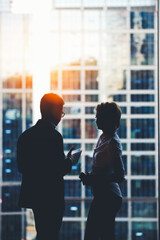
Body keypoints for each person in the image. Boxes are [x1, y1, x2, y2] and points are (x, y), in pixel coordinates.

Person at [17, 93, 76, 240]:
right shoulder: (54, 137)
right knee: (51, 234)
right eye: (61, 111)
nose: (61, 115)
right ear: (54, 110)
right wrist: (70, 161)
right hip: (52, 197)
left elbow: (22, 167)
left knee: (42, 233)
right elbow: (58, 170)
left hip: (36, 196)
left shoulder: (26, 136)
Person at [79, 102, 125, 240]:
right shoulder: (103, 137)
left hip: (109, 197)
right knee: (101, 234)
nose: (95, 119)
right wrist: (90, 177)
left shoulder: (113, 142)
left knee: (94, 235)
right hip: (103, 195)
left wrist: (93, 179)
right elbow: (103, 170)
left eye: (98, 116)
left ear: (107, 119)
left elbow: (120, 176)